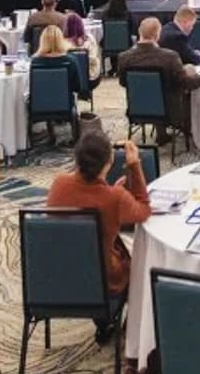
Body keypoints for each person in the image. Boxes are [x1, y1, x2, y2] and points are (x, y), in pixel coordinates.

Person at [45, 131, 152, 341]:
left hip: (57, 277)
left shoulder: (59, 184)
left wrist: (113, 193)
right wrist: (134, 165)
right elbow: (144, 210)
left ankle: (104, 323)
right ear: (109, 162)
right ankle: (128, 327)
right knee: (142, 265)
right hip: (103, 284)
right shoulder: (114, 198)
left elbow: (86, 198)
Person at [116, 18, 200, 138]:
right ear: (157, 35)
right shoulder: (169, 57)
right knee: (183, 89)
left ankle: (161, 134)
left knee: (158, 91)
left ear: (139, 32)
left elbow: (123, 82)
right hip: (170, 111)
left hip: (137, 108)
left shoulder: (124, 57)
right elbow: (186, 83)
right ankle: (187, 131)